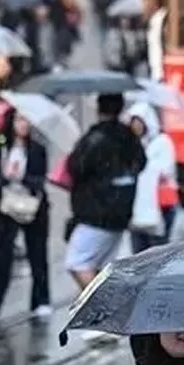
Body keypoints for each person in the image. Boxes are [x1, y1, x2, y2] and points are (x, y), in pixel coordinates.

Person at [65, 93, 146, 289]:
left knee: (77, 262)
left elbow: (76, 166)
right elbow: (141, 163)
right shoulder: (129, 138)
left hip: (95, 212)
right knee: (100, 266)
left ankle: (102, 307)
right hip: (120, 211)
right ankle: (103, 310)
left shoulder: (96, 138)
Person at [0, 112, 50, 324]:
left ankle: (40, 300)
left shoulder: (38, 149)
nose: (24, 125)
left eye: (27, 120)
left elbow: (40, 180)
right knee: (2, 256)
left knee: (37, 254)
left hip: (31, 206)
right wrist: (5, 176)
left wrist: (22, 177)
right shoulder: (1, 149)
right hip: (5, 207)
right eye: (19, 120)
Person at [125, 102, 177, 253]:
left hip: (161, 207)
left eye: (138, 122)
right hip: (137, 211)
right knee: (138, 255)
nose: (135, 127)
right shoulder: (133, 145)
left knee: (158, 253)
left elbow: (166, 170)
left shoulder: (162, 143)